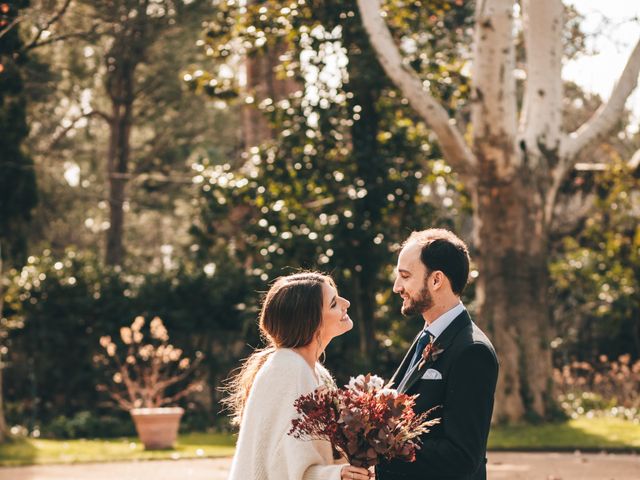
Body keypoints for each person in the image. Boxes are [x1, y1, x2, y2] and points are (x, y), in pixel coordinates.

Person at [377, 229, 499, 480]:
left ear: (436, 280)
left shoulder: (472, 351)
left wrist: (378, 449)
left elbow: (462, 456)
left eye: (405, 276)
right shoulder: (427, 336)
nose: (396, 287)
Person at [225, 272, 371, 480]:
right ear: (310, 322)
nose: (345, 303)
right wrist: (335, 475)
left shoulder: (315, 372)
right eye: (332, 303)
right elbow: (280, 467)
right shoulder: (287, 371)